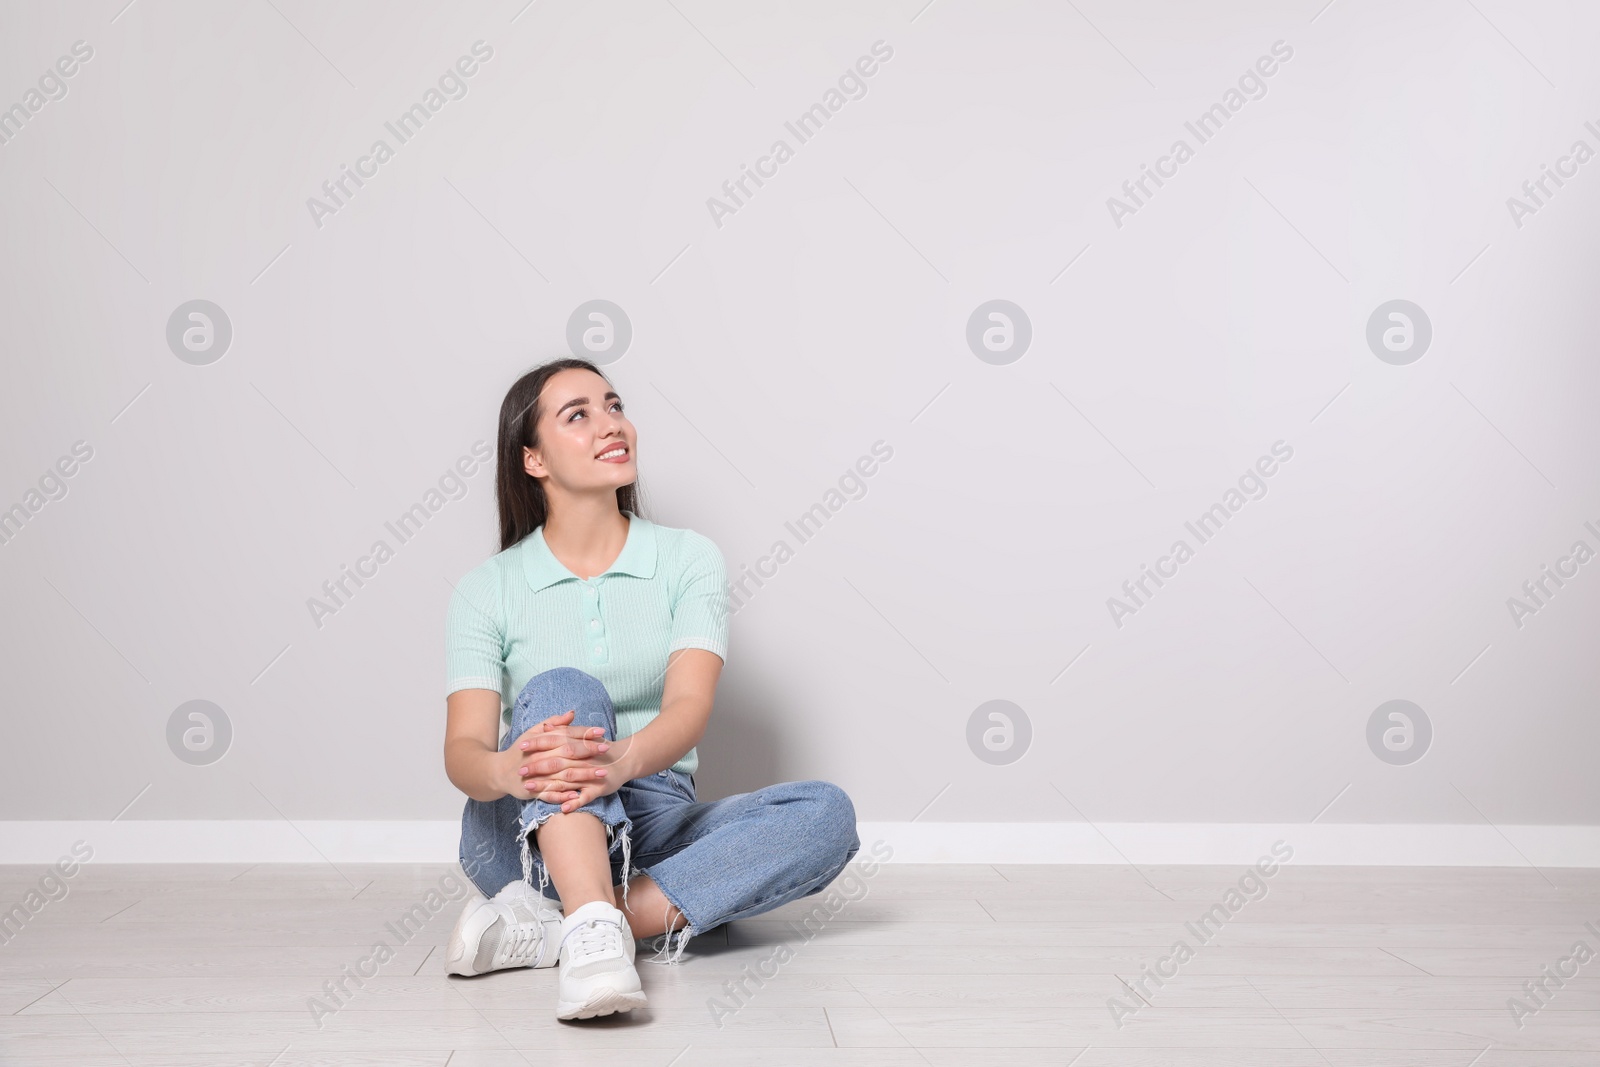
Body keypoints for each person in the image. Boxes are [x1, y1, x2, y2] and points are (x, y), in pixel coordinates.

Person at [440, 357, 860, 1021]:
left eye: (614, 405)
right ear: (533, 459)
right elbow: (462, 752)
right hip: (523, 825)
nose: (613, 424)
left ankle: (572, 925)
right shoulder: (485, 588)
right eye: (579, 414)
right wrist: (506, 766)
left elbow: (689, 708)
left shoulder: (689, 559)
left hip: (655, 815)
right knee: (561, 686)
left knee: (826, 813)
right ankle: (620, 916)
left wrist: (621, 761)